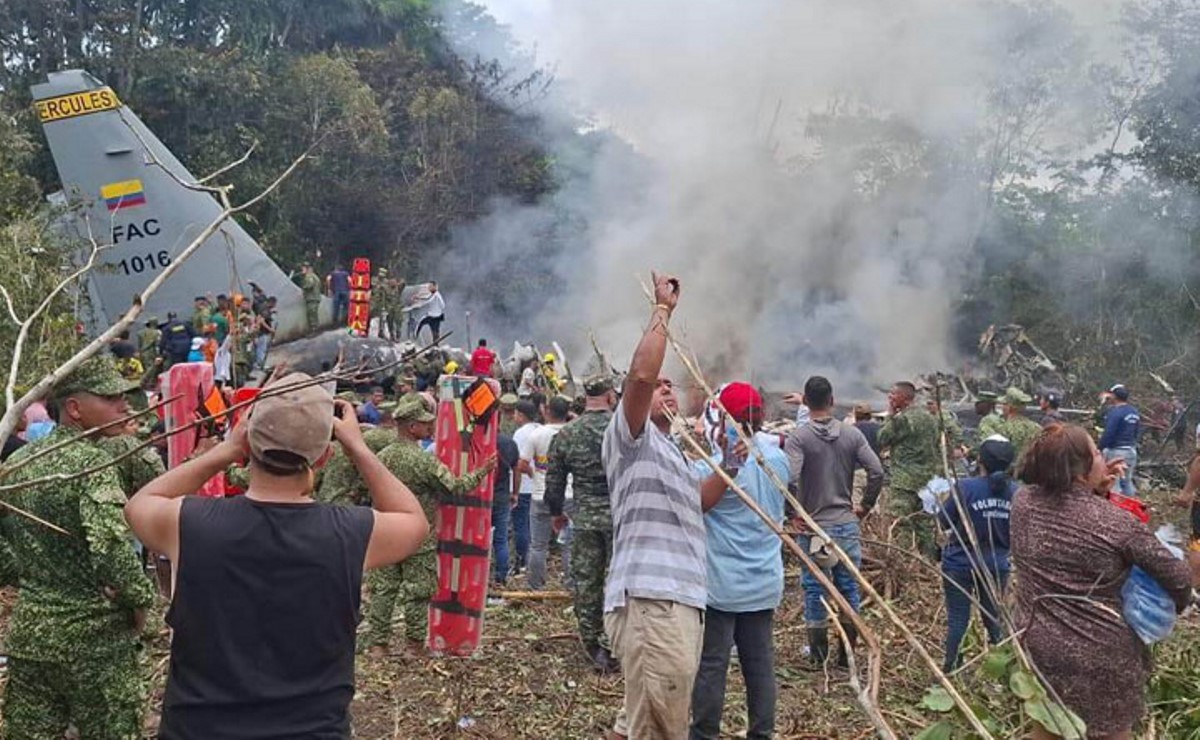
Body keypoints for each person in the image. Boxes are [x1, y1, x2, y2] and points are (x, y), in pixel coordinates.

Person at [124, 374, 431, 736]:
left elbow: (139, 504)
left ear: (248, 444)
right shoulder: (349, 533)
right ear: (324, 457)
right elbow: (414, 521)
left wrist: (224, 451)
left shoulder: (191, 524)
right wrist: (359, 448)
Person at [0, 357, 157, 738]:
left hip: (31, 635)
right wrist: (138, 602)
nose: (123, 406)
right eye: (110, 398)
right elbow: (111, 547)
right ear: (74, 409)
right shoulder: (92, 465)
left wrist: (31, 577)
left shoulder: (18, 463)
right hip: (94, 644)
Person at [1012, 424, 1193, 739]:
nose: (1102, 457)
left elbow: (1068, 516)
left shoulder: (1023, 503)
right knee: (1109, 732)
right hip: (1100, 654)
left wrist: (1096, 491)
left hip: (1036, 642)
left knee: (1048, 727)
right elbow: (1177, 578)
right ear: (1081, 470)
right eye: (1096, 452)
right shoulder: (1117, 523)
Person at [602, 271, 705, 740]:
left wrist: (737, 467)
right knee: (661, 726)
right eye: (658, 386)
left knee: (643, 717)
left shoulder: (675, 451)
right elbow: (641, 375)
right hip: (652, 598)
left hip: (678, 599)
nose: (665, 387)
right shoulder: (631, 439)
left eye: (672, 386)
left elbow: (699, 505)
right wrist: (662, 312)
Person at [691, 381, 788, 740]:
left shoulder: (716, 468)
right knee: (760, 667)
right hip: (764, 581)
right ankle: (762, 734)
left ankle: (703, 734)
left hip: (721, 586)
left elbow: (698, 504)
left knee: (712, 666)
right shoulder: (777, 457)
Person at [366, 397, 496, 655]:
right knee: (418, 591)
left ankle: (378, 645)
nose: (430, 428)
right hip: (417, 535)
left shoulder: (380, 458)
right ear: (412, 427)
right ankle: (413, 645)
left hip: (384, 531)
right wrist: (483, 470)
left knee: (383, 590)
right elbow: (456, 487)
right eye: (425, 425)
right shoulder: (423, 461)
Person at [785, 376, 883, 669]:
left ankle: (818, 656)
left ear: (805, 400)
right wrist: (865, 506)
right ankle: (847, 655)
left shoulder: (799, 438)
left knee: (815, 588)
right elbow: (876, 471)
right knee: (848, 587)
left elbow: (789, 477)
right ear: (832, 400)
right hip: (846, 524)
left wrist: (794, 513)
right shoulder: (851, 435)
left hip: (815, 529)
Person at [545, 374, 619, 673]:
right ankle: (614, 641)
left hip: (584, 517)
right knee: (618, 582)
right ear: (611, 397)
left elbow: (554, 482)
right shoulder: (621, 430)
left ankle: (591, 643)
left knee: (587, 581)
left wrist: (556, 513)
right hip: (620, 517)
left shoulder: (566, 434)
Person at [938, 436, 1015, 672]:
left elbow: (943, 520)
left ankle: (951, 670)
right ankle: (1006, 672)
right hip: (996, 565)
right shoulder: (1017, 493)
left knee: (958, 619)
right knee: (993, 618)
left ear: (979, 460)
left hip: (959, 563)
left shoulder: (965, 488)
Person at [874, 380, 939, 558]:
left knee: (900, 522)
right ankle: (930, 563)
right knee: (924, 524)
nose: (890, 397)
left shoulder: (903, 419)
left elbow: (882, 438)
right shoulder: (930, 418)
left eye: (893, 394)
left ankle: (902, 562)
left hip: (904, 480)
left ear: (904, 397)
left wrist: (890, 414)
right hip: (927, 480)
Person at [527, 395, 573, 590]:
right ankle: (571, 585)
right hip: (569, 494)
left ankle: (535, 586)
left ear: (546, 411)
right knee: (569, 544)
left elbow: (522, 463)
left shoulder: (537, 435)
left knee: (538, 545)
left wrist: (536, 474)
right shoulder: (572, 434)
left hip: (540, 495)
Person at [511, 399, 541, 576]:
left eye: (515, 413)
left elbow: (519, 463)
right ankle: (535, 559)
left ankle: (523, 559)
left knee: (521, 525)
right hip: (540, 486)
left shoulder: (520, 434)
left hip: (524, 486)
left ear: (521, 415)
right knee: (535, 525)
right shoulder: (541, 430)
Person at [1099, 383, 1141, 498]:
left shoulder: (1115, 412)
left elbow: (1109, 433)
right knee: (1127, 481)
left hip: (1116, 452)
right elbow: (1137, 432)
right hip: (1131, 451)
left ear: (1114, 396)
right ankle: (1130, 509)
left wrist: (1100, 448)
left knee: (1114, 484)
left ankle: (1114, 511)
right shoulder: (1134, 412)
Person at [491, 431, 520, 587]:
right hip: (502, 497)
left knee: (479, 538)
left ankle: (480, 575)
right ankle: (501, 577)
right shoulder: (509, 443)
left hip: (479, 497)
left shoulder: (477, 440)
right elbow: (516, 470)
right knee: (501, 539)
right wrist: (515, 492)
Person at [990, 387, 1041, 459]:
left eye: (1004, 404)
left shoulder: (1003, 428)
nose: (1002, 407)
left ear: (1009, 407)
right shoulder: (1037, 427)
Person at [300, 262, 322, 331]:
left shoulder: (309, 276)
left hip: (312, 298)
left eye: (303, 268)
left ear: (308, 269)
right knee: (314, 314)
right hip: (315, 297)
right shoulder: (315, 276)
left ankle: (314, 330)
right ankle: (316, 329)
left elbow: (310, 284)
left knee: (311, 315)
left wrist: (304, 287)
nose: (302, 270)